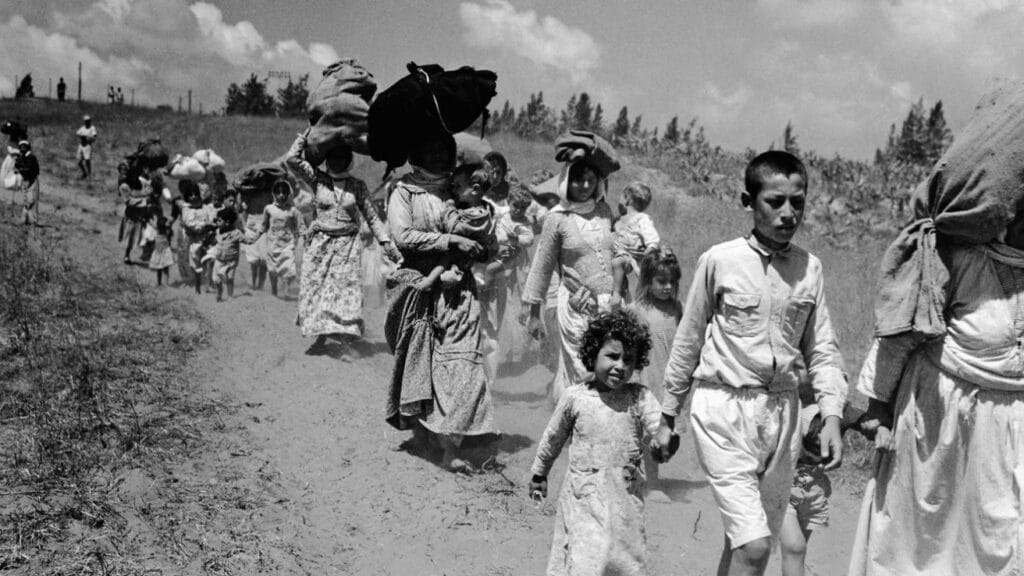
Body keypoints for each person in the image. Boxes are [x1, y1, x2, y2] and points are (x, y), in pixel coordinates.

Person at [849, 80, 1024, 576]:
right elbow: (901, 329)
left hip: (1013, 435)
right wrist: (878, 407)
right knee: (920, 554)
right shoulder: (952, 255)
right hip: (939, 428)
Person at [654, 151, 847, 576]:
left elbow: (822, 350)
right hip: (723, 410)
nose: (787, 213)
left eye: (797, 202)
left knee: (745, 542)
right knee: (757, 547)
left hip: (781, 417)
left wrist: (831, 414)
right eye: (774, 201)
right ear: (748, 200)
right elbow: (687, 341)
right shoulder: (719, 261)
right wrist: (668, 415)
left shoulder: (809, 268)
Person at [385, 134, 498, 472]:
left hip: (457, 293)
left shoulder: (458, 188)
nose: (436, 154)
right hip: (418, 286)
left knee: (459, 363)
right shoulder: (404, 191)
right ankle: (423, 433)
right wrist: (451, 240)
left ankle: (452, 443)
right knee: (418, 362)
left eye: (442, 149)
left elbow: (488, 247)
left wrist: (480, 237)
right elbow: (403, 237)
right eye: (430, 148)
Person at [528, 308, 668, 576]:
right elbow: (553, 437)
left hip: (625, 498)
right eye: (612, 356)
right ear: (593, 355)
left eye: (629, 360)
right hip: (584, 495)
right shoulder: (575, 398)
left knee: (625, 559)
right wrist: (539, 472)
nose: (620, 366)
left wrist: (664, 439)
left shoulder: (639, 397)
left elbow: (657, 424)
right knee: (585, 559)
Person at [287, 129, 402, 352]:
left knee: (343, 289)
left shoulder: (357, 186)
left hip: (346, 245)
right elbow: (292, 160)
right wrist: (305, 136)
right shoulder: (317, 179)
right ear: (327, 159)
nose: (337, 161)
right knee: (316, 287)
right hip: (320, 243)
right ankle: (319, 337)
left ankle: (344, 333)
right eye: (333, 157)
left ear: (349, 160)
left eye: (342, 157)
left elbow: (371, 215)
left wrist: (386, 242)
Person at [522, 141, 618, 402]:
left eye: (590, 180)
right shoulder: (557, 218)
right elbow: (542, 267)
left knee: (607, 370)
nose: (585, 186)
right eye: (578, 180)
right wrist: (533, 314)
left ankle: (597, 431)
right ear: (566, 182)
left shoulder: (604, 212)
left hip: (607, 307)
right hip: (576, 307)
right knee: (581, 372)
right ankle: (571, 425)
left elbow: (613, 254)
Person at [627, 247, 683, 503]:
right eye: (661, 281)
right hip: (644, 380)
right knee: (645, 433)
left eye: (672, 282)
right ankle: (652, 484)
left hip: (668, 381)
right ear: (647, 281)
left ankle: (643, 478)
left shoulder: (676, 309)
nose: (668, 287)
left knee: (659, 433)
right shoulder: (636, 310)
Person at [413, 162, 499, 291]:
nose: (454, 190)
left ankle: (430, 280)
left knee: (447, 257)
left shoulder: (477, 215)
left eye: (458, 186)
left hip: (465, 257)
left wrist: (450, 205)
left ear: (475, 190)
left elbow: (454, 228)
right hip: (466, 255)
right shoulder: (474, 208)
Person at [779, 402, 831, 576]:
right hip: (785, 481)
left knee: (797, 553)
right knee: (795, 547)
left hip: (814, 489)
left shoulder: (835, 408)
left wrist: (881, 428)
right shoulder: (787, 398)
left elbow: (868, 421)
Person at [249, 180, 305, 297]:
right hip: (272, 244)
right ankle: (274, 289)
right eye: (278, 193)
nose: (281, 195)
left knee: (288, 269)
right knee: (273, 270)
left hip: (287, 245)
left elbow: (301, 228)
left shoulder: (293, 211)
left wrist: (303, 239)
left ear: (288, 194)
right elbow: (264, 225)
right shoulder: (269, 209)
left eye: (284, 193)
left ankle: (286, 291)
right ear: (274, 194)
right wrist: (255, 237)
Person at [611, 182, 660, 308]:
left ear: (627, 197)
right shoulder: (618, 219)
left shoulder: (642, 219)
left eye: (621, 197)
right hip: (616, 253)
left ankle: (616, 294)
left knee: (618, 262)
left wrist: (650, 248)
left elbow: (651, 236)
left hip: (628, 257)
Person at [178, 180, 216, 294]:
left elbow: (212, 218)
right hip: (195, 241)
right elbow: (190, 223)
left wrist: (210, 225)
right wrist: (204, 225)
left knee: (210, 259)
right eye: (191, 195)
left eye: (195, 194)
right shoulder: (187, 209)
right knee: (196, 264)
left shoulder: (206, 207)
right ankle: (197, 286)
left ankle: (208, 284)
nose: (194, 197)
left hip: (208, 240)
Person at [209, 206, 250, 302]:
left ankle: (230, 296)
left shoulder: (236, 233)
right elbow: (214, 241)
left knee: (230, 277)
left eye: (219, 220)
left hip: (231, 261)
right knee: (216, 280)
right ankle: (219, 292)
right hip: (219, 260)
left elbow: (246, 240)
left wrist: (253, 237)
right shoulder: (218, 231)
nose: (217, 222)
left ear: (227, 222)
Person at [15, 140, 40, 226]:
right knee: (26, 200)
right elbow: (17, 166)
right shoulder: (21, 157)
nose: (22, 148)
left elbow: (33, 170)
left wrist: (21, 169)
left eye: (24, 146)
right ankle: (26, 220)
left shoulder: (31, 157)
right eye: (21, 146)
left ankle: (32, 220)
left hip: (32, 180)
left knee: (32, 200)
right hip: (25, 180)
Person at [149, 216, 175, 286]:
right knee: (163, 269)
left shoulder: (161, 230)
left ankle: (161, 283)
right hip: (162, 251)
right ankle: (163, 283)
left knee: (160, 269)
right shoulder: (165, 231)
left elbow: (153, 225)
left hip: (161, 251)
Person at [76, 115, 97, 180]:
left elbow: (94, 136)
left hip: (87, 145)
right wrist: (83, 136)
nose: (87, 122)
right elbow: (77, 133)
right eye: (86, 121)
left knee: (87, 160)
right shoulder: (83, 128)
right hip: (81, 145)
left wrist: (88, 138)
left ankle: (89, 175)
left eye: (88, 121)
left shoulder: (92, 128)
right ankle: (84, 173)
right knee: (79, 162)